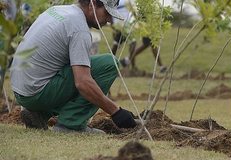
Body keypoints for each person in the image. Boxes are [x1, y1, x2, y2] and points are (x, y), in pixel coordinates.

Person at [10, 0, 137, 133]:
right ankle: (71, 124)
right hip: (36, 92)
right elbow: (83, 83)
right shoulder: (79, 29)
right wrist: (116, 112)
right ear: (92, 4)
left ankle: (39, 113)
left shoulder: (57, 10)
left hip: (21, 91)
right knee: (109, 64)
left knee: (78, 67)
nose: (110, 20)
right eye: (107, 13)